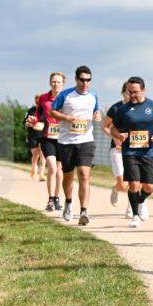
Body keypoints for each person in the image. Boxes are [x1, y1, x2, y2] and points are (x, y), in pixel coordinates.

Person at [111, 77, 153, 227]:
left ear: (143, 90)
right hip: (130, 152)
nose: (132, 95)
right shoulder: (123, 109)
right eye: (130, 92)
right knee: (134, 184)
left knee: (149, 187)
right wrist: (119, 135)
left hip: (149, 152)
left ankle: (140, 202)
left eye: (135, 92)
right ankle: (135, 216)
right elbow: (113, 128)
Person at [50, 66, 101, 225]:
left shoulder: (93, 96)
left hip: (86, 140)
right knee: (68, 176)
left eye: (88, 80)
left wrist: (97, 115)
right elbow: (52, 112)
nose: (86, 83)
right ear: (76, 79)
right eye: (82, 79)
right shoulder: (66, 95)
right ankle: (68, 202)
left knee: (84, 175)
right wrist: (67, 117)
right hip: (66, 141)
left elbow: (96, 113)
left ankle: (84, 211)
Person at [36, 73, 65, 211]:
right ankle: (51, 199)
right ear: (50, 83)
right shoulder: (43, 98)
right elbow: (37, 114)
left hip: (63, 138)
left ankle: (57, 197)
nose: (56, 84)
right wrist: (33, 120)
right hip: (47, 137)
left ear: (63, 83)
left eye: (59, 82)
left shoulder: (67, 98)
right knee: (52, 167)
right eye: (54, 82)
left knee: (59, 170)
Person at [102, 83, 131, 213]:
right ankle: (116, 188)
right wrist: (114, 136)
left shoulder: (138, 108)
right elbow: (105, 126)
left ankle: (132, 207)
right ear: (122, 93)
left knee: (135, 179)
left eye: (132, 92)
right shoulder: (115, 108)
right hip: (117, 149)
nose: (130, 95)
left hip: (134, 149)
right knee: (123, 184)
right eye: (127, 92)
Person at [24, 96, 46, 180]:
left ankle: (41, 174)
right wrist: (31, 124)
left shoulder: (45, 110)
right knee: (35, 155)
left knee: (43, 155)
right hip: (32, 136)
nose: (38, 103)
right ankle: (33, 169)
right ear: (35, 101)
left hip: (43, 135)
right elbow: (25, 122)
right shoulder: (30, 111)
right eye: (37, 101)